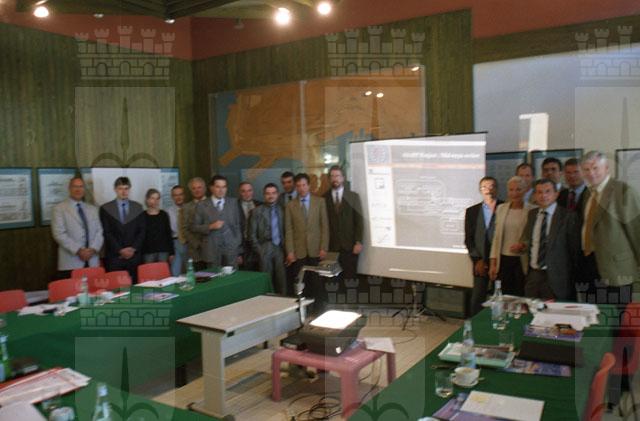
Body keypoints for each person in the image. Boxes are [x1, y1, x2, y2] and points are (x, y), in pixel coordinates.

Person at [579, 150, 640, 304]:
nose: (591, 173)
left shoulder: (623, 191)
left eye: (595, 168)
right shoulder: (587, 194)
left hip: (617, 269)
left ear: (606, 168)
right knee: (592, 313)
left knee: (616, 315)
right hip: (589, 264)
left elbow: (636, 230)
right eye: (586, 169)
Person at [519, 179, 578, 300]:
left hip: (557, 277)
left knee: (554, 311)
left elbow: (574, 251)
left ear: (556, 194)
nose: (543, 195)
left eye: (547, 191)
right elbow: (530, 241)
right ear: (534, 195)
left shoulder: (568, 216)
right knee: (531, 308)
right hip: (533, 274)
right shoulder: (532, 214)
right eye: (539, 192)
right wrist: (523, 246)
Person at [285, 173, 329, 311]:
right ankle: (305, 309)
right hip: (299, 250)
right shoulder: (290, 205)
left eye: (304, 185)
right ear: (296, 187)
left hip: (316, 249)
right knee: (302, 282)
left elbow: (324, 226)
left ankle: (319, 309)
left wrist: (324, 247)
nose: (301, 188)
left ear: (309, 186)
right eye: (298, 186)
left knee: (317, 281)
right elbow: (289, 230)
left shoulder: (319, 202)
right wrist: (290, 251)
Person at [51, 177, 104, 279]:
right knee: (72, 289)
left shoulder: (93, 209)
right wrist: (79, 250)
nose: (78, 189)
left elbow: (100, 231)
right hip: (71, 262)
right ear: (69, 188)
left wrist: (93, 249)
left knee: (94, 288)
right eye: (75, 186)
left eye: (81, 186)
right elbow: (59, 234)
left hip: (92, 261)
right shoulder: (59, 209)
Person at [464, 176, 502, 315]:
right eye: (484, 187)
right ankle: (476, 325)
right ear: (480, 190)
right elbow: (468, 239)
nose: (488, 190)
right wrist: (477, 260)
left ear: (497, 189)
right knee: (477, 299)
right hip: (480, 262)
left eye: (492, 186)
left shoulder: (505, 207)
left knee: (501, 297)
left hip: (501, 261)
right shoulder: (472, 211)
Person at [99, 177, 145, 281]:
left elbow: (142, 231)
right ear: (115, 189)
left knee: (135, 286)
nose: (124, 192)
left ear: (130, 189)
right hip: (115, 257)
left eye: (126, 188)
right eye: (120, 188)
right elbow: (107, 232)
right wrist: (120, 250)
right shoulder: (105, 208)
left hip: (134, 257)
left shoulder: (138, 207)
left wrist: (133, 249)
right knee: (116, 287)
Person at [489, 176, 529, 296]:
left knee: (520, 295)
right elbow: (496, 238)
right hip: (503, 260)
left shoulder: (532, 209)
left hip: (522, 261)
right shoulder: (501, 209)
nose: (515, 193)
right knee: (504, 296)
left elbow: (533, 238)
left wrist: (523, 245)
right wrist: (493, 264)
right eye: (511, 190)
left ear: (525, 190)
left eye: (518, 189)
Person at [323, 165, 363, 283]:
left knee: (350, 279)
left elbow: (359, 220)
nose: (335, 179)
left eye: (337, 176)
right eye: (332, 176)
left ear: (343, 178)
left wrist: (358, 241)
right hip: (332, 247)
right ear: (329, 179)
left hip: (349, 245)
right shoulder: (323, 198)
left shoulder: (353, 196)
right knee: (333, 281)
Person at [192, 175, 243, 268]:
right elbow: (194, 227)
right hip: (212, 250)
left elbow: (237, 226)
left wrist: (237, 248)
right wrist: (210, 226)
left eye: (224, 187)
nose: (221, 190)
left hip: (231, 251)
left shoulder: (233, 203)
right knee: (214, 275)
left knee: (233, 275)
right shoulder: (202, 205)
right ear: (211, 188)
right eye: (218, 187)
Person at [250, 183, 286, 294]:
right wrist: (259, 250)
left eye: (273, 193)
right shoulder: (257, 211)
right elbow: (251, 234)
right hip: (264, 246)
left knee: (281, 278)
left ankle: (283, 301)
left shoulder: (283, 210)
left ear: (277, 194)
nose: (271, 196)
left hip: (280, 247)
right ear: (264, 195)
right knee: (266, 278)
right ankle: (267, 301)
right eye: (268, 193)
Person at [141, 188, 174, 264]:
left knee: (163, 271)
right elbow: (140, 236)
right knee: (149, 271)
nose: (155, 201)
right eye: (153, 198)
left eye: (157, 198)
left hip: (163, 251)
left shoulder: (164, 215)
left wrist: (171, 252)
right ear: (147, 199)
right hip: (148, 252)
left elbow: (168, 234)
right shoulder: (142, 216)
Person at [181, 177, 207, 271]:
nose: (197, 190)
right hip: (195, 251)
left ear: (204, 188)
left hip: (212, 248)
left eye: (199, 187)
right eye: (194, 188)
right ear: (190, 191)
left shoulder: (212, 204)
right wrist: (197, 244)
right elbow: (185, 228)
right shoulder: (186, 207)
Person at [238, 181, 262, 270]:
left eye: (249, 190)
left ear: (253, 191)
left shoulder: (260, 205)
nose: (247, 194)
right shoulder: (234, 206)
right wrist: (237, 253)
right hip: (243, 247)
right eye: (243, 191)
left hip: (258, 245)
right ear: (239, 192)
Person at [166, 185, 187, 276]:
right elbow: (167, 233)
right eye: (175, 195)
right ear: (172, 197)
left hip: (189, 243)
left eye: (180, 194)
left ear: (184, 195)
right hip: (175, 243)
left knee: (191, 271)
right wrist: (170, 251)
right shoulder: (167, 212)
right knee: (175, 273)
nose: (178, 197)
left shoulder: (191, 209)